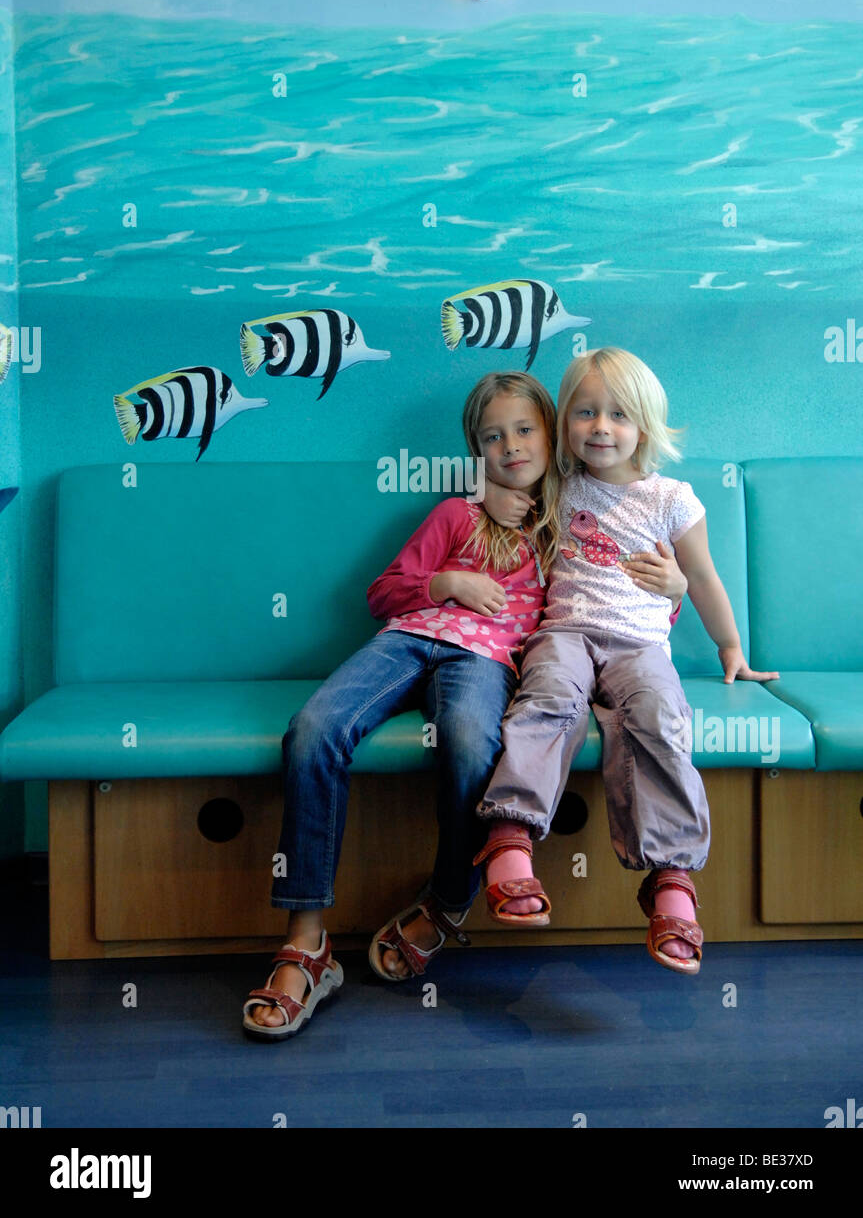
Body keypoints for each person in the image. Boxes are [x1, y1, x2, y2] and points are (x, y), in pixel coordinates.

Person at [242, 371, 563, 1037]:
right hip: (408, 642)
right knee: (312, 728)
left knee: (472, 742)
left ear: (552, 435)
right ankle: (307, 942)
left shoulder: (568, 527)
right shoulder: (454, 514)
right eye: (491, 436)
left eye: (524, 429)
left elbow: (612, 603)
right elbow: (382, 593)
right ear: (475, 449)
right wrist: (445, 581)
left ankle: (447, 902)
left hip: (483, 662)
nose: (509, 446)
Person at [473, 346, 779, 975]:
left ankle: (671, 879)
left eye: (618, 414)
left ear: (645, 423)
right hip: (565, 634)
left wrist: (731, 647)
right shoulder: (558, 482)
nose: (601, 427)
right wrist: (491, 493)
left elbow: (702, 577)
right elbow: (504, 473)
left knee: (660, 716)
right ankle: (510, 835)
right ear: (565, 424)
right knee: (548, 699)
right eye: (585, 413)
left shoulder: (670, 497)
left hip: (639, 646)